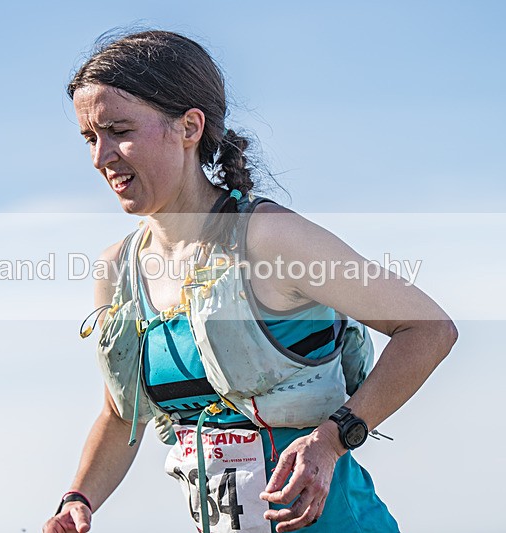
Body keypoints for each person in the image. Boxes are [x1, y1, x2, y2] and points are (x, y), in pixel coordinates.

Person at [43, 30, 457, 533]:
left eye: (118, 129)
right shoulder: (118, 270)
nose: (100, 156)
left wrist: (332, 439)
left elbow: (430, 329)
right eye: (91, 137)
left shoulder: (267, 236)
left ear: (189, 126)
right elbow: (121, 412)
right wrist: (78, 498)